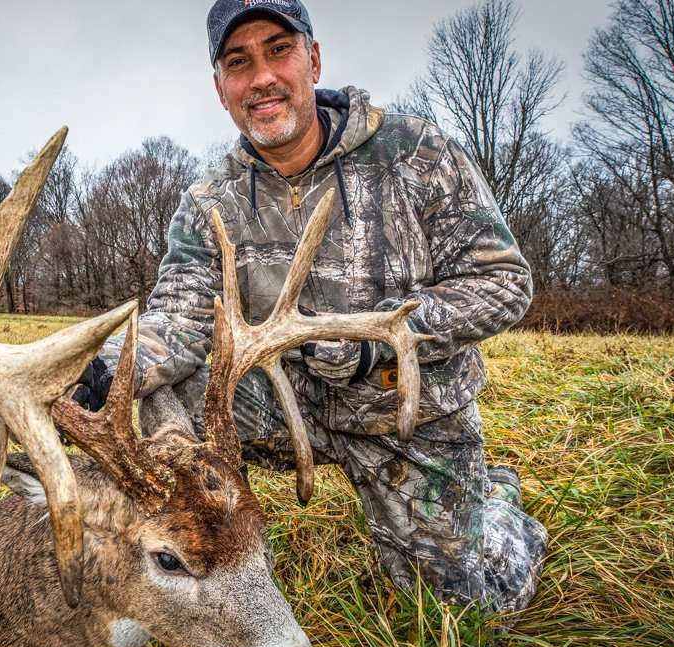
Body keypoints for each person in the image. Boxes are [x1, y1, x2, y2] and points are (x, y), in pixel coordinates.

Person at [74, 0, 548, 614]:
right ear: (221, 90)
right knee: (177, 394)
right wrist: (108, 369)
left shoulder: (413, 152)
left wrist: (380, 345)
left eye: (279, 50)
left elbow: (502, 280)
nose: (262, 77)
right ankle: (210, 560)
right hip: (281, 404)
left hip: (406, 413)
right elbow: (183, 316)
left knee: (465, 611)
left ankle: (497, 505)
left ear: (313, 59)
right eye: (238, 62)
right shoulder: (208, 198)